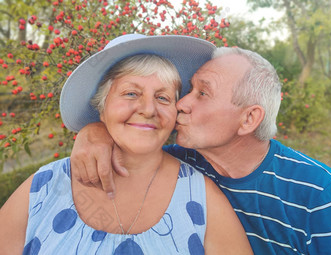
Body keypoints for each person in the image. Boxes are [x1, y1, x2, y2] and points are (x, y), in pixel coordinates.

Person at [71, 45, 331, 254]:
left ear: (249, 119)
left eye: (202, 93)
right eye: (189, 89)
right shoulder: (179, 164)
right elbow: (132, 139)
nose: (181, 103)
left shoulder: (318, 194)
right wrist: (95, 132)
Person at [0, 34, 253, 255]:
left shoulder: (202, 198)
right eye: (131, 93)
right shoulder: (43, 188)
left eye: (163, 97)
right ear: (102, 107)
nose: (148, 109)